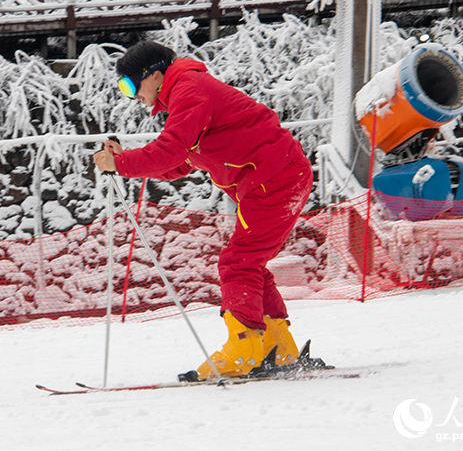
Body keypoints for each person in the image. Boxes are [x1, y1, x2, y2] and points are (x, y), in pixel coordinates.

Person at [93, 41, 313, 379]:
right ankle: (277, 346)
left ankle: (245, 349)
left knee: (238, 263)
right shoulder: (185, 95)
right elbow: (178, 164)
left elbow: (169, 151)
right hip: (276, 178)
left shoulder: (190, 90)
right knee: (249, 263)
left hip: (275, 178)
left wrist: (121, 163)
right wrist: (123, 162)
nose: (130, 95)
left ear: (153, 74)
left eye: (129, 85)